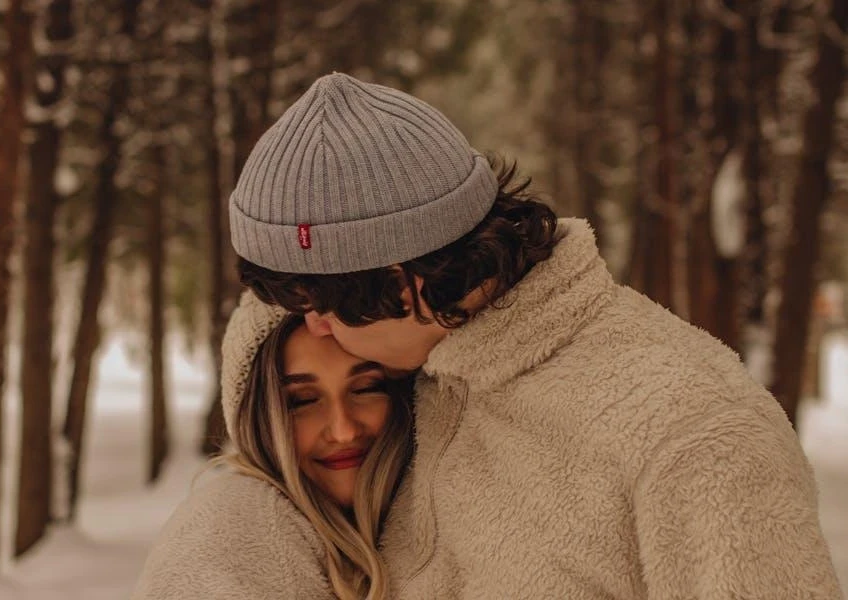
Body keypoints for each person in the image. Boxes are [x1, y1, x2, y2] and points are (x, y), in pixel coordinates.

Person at [230, 72, 843, 598]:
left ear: (404, 279)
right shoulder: (425, 373)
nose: (313, 327)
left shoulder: (691, 429)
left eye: (320, 303)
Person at [131, 294, 414, 600]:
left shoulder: (436, 506)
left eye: (365, 388)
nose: (343, 431)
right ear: (259, 421)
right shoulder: (227, 535)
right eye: (302, 401)